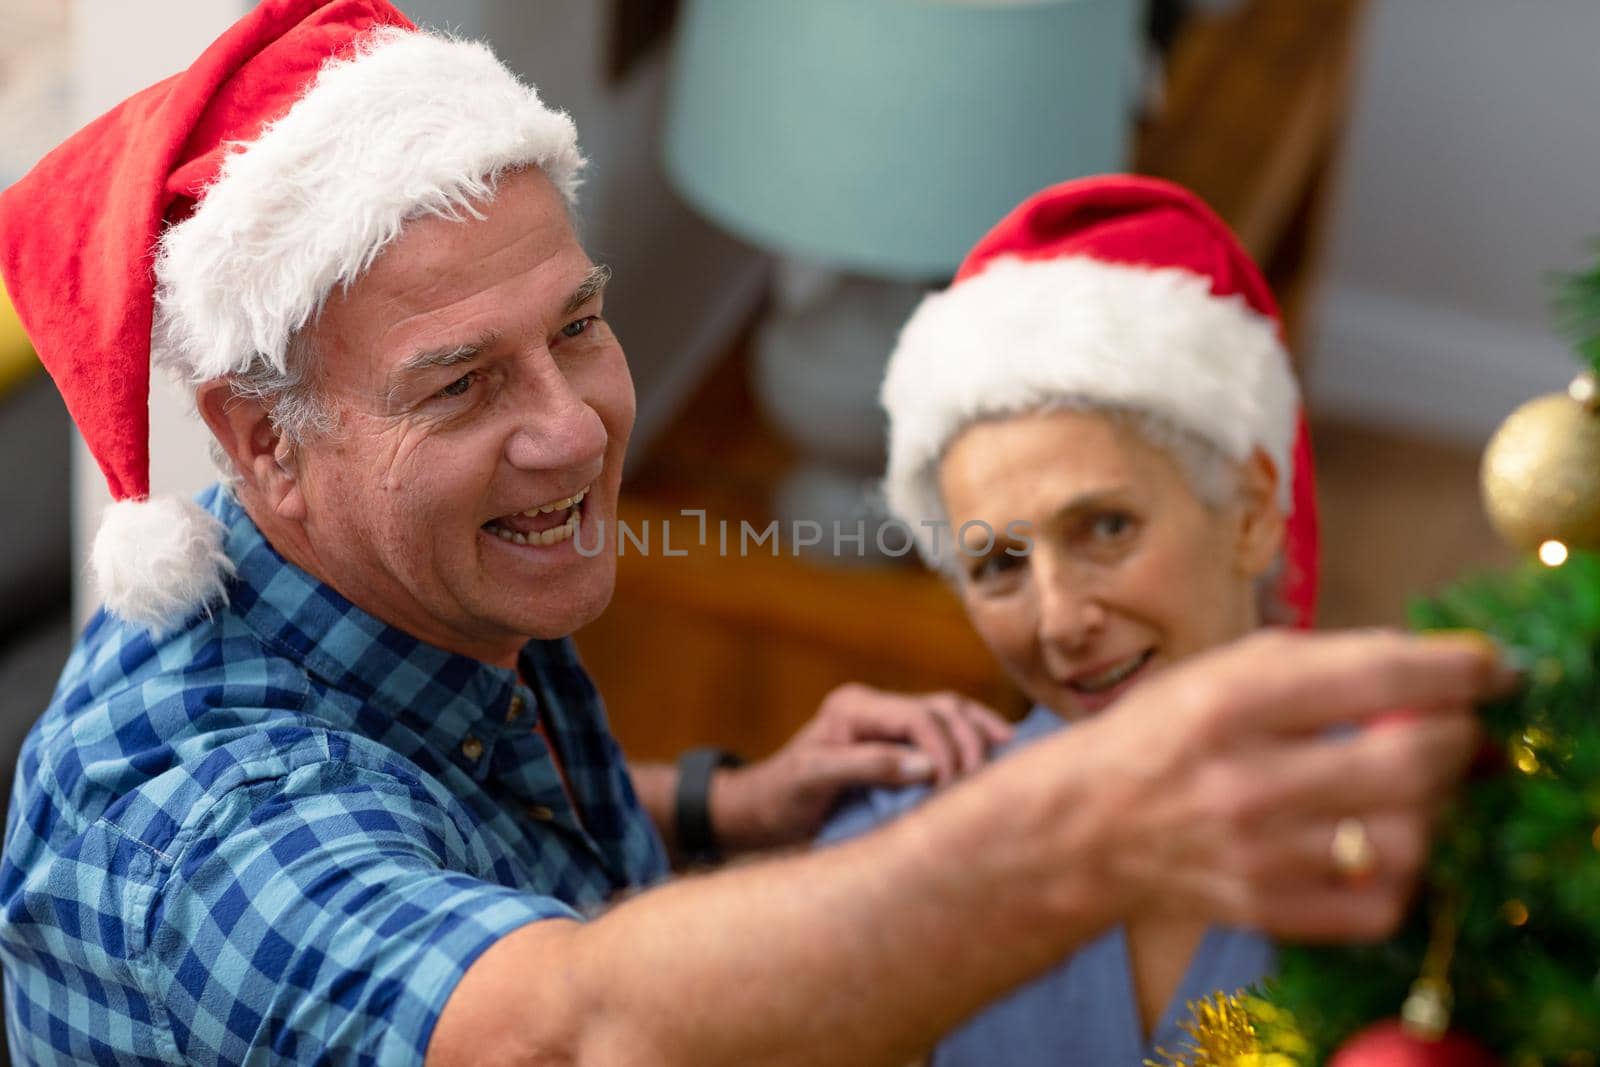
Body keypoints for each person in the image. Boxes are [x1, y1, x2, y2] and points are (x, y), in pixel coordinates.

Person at [0, 4, 1510, 1065]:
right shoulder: (194, 818)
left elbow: (443, 813)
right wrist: (1101, 817)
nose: (578, 428)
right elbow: (567, 1028)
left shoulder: (381, 595)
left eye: (578, 325)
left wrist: (722, 804)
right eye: (462, 383)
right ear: (267, 441)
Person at [820, 174, 1325, 1064]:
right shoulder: (896, 840)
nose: (1058, 620)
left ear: (1250, 511)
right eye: (998, 564)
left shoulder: (1426, 829)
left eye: (1105, 527)